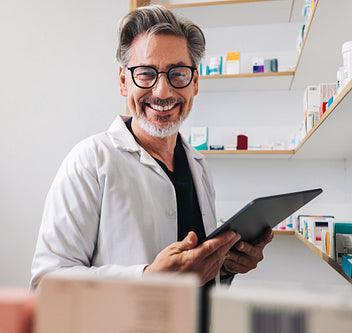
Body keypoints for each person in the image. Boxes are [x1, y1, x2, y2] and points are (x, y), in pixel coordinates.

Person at [30, 5, 273, 290]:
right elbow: (45, 283)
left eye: (178, 74)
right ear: (124, 82)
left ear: (194, 82)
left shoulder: (199, 166)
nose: (162, 92)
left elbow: (196, 275)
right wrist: (147, 278)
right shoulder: (89, 161)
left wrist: (225, 265)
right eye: (145, 73)